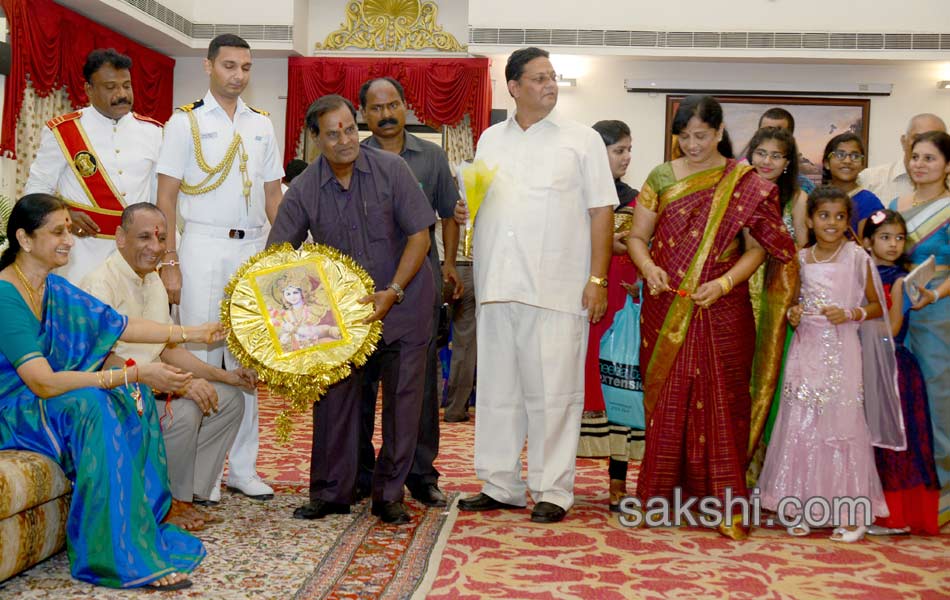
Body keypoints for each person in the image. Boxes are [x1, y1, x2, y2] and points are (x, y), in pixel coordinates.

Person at [0, 193, 226, 590]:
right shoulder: (6, 295)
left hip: (46, 403)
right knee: (96, 403)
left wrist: (191, 332)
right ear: (24, 238)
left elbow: (120, 325)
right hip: (15, 410)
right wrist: (130, 376)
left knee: (122, 400)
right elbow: (42, 381)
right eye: (57, 232)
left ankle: (141, 527)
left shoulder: (53, 288)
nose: (69, 239)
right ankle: (114, 554)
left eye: (69, 230)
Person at [455, 47, 616, 525]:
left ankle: (553, 489)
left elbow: (601, 211)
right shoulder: (488, 139)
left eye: (553, 78)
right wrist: (467, 210)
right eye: (540, 78)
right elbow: (481, 202)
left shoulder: (581, 141)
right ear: (514, 86)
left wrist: (597, 279)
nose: (549, 85)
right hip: (497, 284)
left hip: (556, 287)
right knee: (499, 391)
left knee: (553, 394)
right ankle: (499, 483)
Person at [625, 95, 797, 539]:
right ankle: (659, 498)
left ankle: (723, 502)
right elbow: (638, 237)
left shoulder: (743, 180)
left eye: (701, 135)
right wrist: (648, 267)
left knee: (725, 402)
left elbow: (760, 247)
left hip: (722, 306)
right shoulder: (660, 176)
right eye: (684, 136)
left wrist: (723, 284)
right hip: (667, 304)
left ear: (720, 133)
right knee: (669, 400)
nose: (692, 144)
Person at [266, 94, 435, 525]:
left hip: (404, 304)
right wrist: (301, 317)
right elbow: (279, 256)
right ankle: (330, 493)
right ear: (315, 139)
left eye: (349, 129)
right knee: (334, 404)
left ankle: (389, 495)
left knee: (403, 403)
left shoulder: (391, 170)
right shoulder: (304, 189)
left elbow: (421, 237)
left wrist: (393, 290)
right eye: (332, 133)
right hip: (342, 319)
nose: (344, 140)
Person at [156, 33, 284, 502]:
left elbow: (274, 197)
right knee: (204, 354)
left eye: (246, 67)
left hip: (252, 248)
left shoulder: (261, 125)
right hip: (202, 246)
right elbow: (166, 198)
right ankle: (200, 473)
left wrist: (289, 256)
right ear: (209, 67)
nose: (238, 75)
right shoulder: (183, 123)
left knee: (249, 355)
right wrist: (169, 260)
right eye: (229, 65)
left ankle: (243, 468)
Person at [79, 202, 251, 529]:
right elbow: (102, 357)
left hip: (151, 384)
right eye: (144, 237)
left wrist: (224, 375)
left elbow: (167, 350)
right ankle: (170, 502)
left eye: (161, 239)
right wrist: (172, 384)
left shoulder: (153, 281)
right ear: (120, 238)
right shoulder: (101, 283)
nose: (155, 248)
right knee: (185, 411)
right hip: (114, 393)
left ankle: (192, 493)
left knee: (228, 399)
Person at [758, 186, 902, 542]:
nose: (832, 223)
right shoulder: (801, 259)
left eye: (840, 217)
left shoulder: (857, 257)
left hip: (842, 350)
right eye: (824, 216)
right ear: (810, 220)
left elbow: (874, 306)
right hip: (807, 350)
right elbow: (793, 303)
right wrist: (793, 312)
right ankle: (803, 506)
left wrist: (849, 312)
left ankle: (850, 513)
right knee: (802, 424)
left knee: (843, 425)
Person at [356, 76, 461, 507]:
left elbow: (449, 216)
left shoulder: (431, 157)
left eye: (393, 104)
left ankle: (420, 474)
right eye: (376, 108)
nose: (386, 114)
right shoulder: (353, 157)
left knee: (417, 392)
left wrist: (450, 265)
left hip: (417, 289)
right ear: (363, 114)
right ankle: (362, 473)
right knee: (360, 388)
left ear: (406, 107)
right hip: (364, 293)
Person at [24, 48, 163, 285]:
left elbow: (157, 197)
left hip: (136, 254)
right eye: (110, 87)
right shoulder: (64, 131)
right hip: (82, 254)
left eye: (126, 86)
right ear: (89, 89)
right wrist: (65, 215)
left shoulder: (153, 132)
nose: (121, 94)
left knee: (136, 320)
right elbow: (35, 191)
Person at [575, 120, 644, 511]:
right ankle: (558, 480)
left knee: (620, 388)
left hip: (620, 314)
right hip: (582, 306)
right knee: (573, 390)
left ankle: (618, 485)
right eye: (618, 150)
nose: (626, 157)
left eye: (628, 149)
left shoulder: (637, 201)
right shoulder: (575, 197)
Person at [862, 209, 940, 536]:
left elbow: (892, 327)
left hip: (890, 365)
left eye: (898, 238)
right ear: (867, 243)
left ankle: (893, 514)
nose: (893, 245)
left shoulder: (897, 279)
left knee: (893, 441)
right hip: (864, 362)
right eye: (885, 237)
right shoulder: (860, 274)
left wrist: (856, 325)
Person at [889, 130, 950, 527]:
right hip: (900, 304)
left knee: (937, 390)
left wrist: (936, 293)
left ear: (947, 165)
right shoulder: (897, 204)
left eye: (929, 158)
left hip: (938, 308)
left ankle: (944, 484)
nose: (920, 165)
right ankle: (908, 484)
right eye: (915, 157)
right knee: (900, 395)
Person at [858, 113, 947, 203]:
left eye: (934, 139)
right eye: (917, 138)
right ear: (903, 141)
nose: (924, 144)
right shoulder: (870, 179)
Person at [747, 127, 809, 248]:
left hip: (786, 265)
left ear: (787, 163)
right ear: (751, 156)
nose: (766, 161)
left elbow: (803, 248)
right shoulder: (738, 192)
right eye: (761, 153)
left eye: (775, 156)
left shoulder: (798, 198)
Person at [821, 132, 884, 239]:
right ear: (827, 163)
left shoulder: (869, 202)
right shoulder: (817, 198)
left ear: (862, 165)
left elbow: (869, 248)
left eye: (855, 156)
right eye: (840, 155)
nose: (847, 161)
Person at [268, 270, 342, 351]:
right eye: (288, 294)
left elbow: (315, 331)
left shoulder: (310, 309)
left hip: (312, 337)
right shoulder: (285, 313)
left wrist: (296, 329)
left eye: (295, 292)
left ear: (302, 292)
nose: (292, 297)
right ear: (283, 296)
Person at [756, 107, 816, 195]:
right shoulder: (739, 177)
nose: (771, 137)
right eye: (765, 131)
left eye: (778, 132)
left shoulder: (804, 187)